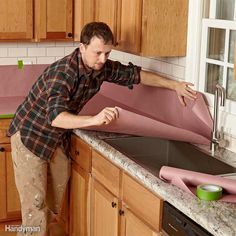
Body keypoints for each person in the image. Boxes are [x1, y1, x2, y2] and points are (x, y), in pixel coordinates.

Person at [8, 22, 196, 236]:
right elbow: (56, 117)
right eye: (98, 52)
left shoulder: (99, 66)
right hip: (30, 136)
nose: (103, 59)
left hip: (56, 140)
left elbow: (135, 75)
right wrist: (94, 119)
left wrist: (175, 86)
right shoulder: (63, 74)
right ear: (82, 48)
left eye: (107, 53)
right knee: (35, 209)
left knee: (52, 204)